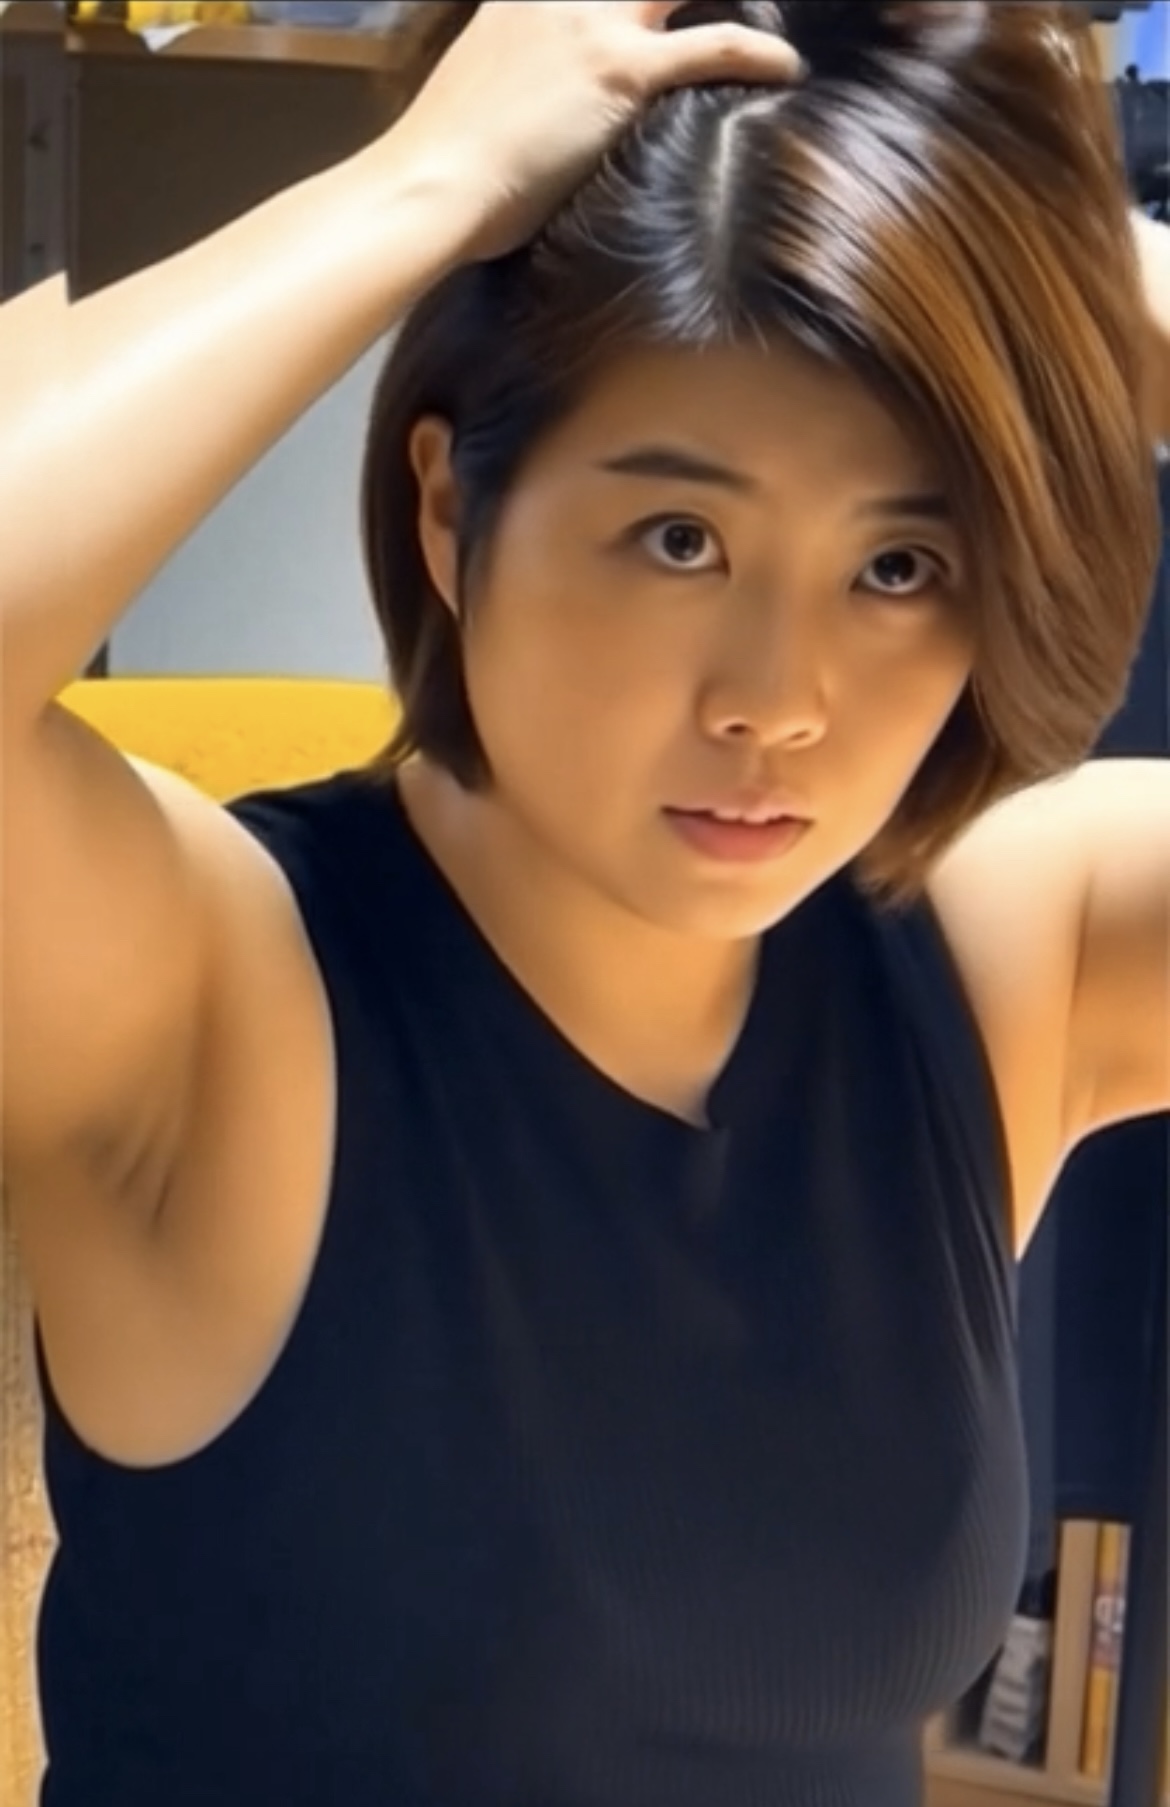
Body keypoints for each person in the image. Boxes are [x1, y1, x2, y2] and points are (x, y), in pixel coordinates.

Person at [2, 2, 1168, 1803]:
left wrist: (1084, 306)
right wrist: (420, 183)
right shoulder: (220, 998)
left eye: (896, 564)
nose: (777, 699)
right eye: (679, 540)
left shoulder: (997, 951)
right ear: (449, 513)